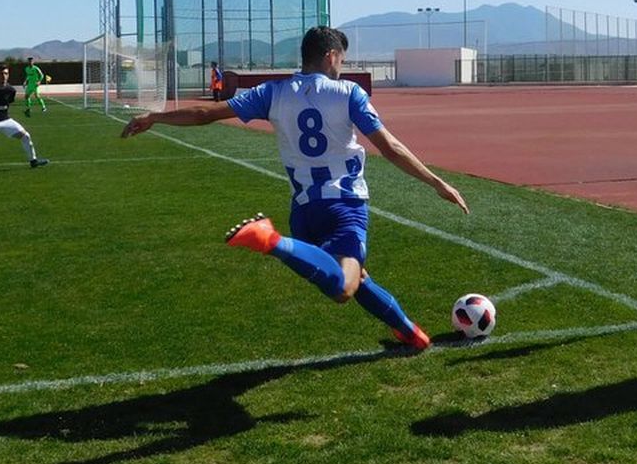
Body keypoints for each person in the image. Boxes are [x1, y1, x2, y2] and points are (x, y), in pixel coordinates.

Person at [121, 26, 469, 351]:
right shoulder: (349, 93)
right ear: (331, 55)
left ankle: (410, 333)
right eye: (342, 59)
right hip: (344, 206)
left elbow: (204, 113)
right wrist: (437, 182)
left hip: (303, 211)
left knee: (357, 277)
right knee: (344, 286)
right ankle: (271, 240)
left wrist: (155, 117)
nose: (341, 67)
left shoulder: (272, 92)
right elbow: (389, 147)